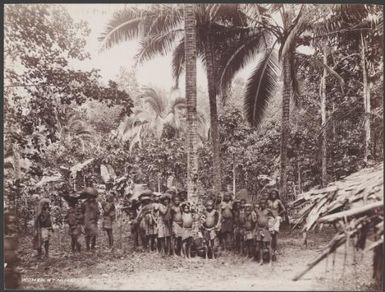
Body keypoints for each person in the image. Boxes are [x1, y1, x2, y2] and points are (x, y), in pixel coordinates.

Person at [267, 189, 286, 257]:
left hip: (276, 218)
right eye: (272, 193)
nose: (273, 195)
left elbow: (284, 209)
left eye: (274, 193)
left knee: (275, 234)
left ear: (276, 194)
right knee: (270, 233)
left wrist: (278, 215)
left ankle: (275, 249)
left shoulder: (278, 201)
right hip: (269, 218)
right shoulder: (268, 201)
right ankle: (270, 248)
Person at [255, 199, 273, 265]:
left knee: (268, 245)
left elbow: (275, 218)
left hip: (266, 230)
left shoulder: (268, 210)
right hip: (260, 230)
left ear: (266, 204)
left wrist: (271, 226)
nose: (262, 205)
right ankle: (261, 260)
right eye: (261, 203)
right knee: (260, 246)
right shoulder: (258, 211)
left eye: (264, 203)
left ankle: (270, 261)